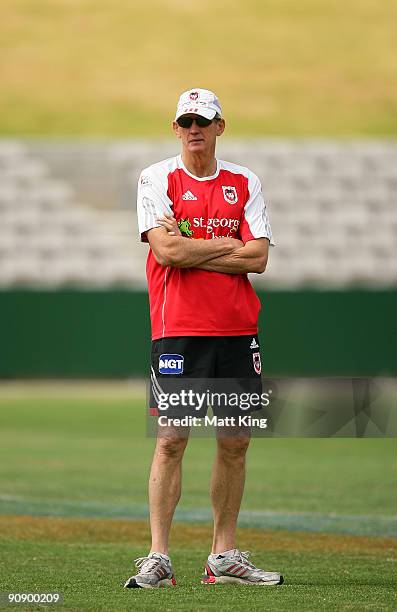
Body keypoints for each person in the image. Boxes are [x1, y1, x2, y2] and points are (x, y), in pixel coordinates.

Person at [124, 88, 283, 589]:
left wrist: (193, 246)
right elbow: (167, 252)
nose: (194, 128)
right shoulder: (157, 178)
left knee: (235, 441)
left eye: (203, 120)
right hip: (180, 330)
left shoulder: (244, 180)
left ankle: (224, 555)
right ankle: (158, 557)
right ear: (175, 128)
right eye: (186, 120)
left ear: (220, 126)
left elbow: (258, 258)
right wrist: (226, 243)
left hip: (238, 329)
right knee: (172, 439)